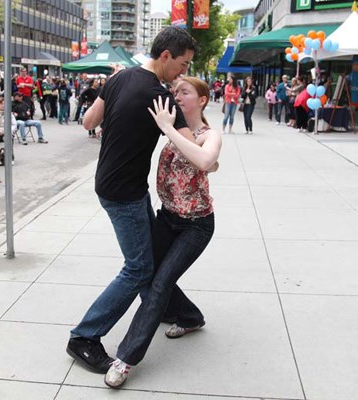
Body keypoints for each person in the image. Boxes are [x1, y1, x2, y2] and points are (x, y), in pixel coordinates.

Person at [65, 26, 197, 375]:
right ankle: (84, 336)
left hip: (110, 184)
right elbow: (200, 157)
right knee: (138, 267)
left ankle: (176, 310)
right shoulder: (161, 97)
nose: (184, 72)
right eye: (183, 65)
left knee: (149, 257)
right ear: (166, 56)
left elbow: (88, 122)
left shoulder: (119, 79)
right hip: (125, 193)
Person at [104, 77, 221, 388]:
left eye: (184, 92)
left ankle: (126, 359)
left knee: (159, 285)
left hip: (196, 225)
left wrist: (168, 128)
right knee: (149, 276)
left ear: (203, 100)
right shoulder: (173, 128)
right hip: (166, 218)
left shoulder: (210, 134)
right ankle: (191, 317)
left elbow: (206, 159)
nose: (176, 96)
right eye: (174, 91)